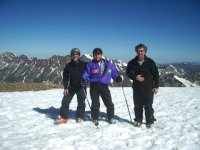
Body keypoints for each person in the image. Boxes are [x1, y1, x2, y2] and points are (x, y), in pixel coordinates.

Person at [83, 48, 122, 125]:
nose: (97, 56)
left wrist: (117, 77)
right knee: (95, 103)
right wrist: (83, 79)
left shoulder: (108, 63)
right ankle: (95, 118)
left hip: (104, 86)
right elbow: (86, 74)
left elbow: (113, 72)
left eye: (99, 54)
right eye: (95, 54)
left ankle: (110, 117)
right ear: (93, 55)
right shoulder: (90, 64)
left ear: (101, 55)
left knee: (109, 103)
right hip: (94, 86)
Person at [126, 43, 159, 128]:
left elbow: (156, 74)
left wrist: (156, 86)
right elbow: (128, 73)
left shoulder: (150, 62)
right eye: (138, 51)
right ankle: (138, 120)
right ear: (136, 51)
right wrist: (135, 77)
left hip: (148, 88)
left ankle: (149, 121)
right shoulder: (132, 62)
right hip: (137, 88)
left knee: (148, 106)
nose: (140, 52)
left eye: (142, 51)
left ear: (145, 51)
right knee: (137, 105)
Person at [55, 48, 87, 124]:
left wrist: (86, 80)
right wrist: (66, 87)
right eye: (73, 54)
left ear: (79, 55)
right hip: (71, 87)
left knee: (81, 103)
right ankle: (64, 117)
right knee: (65, 101)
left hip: (81, 87)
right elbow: (65, 77)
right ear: (71, 55)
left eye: (76, 54)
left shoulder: (84, 64)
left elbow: (89, 72)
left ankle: (80, 117)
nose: (75, 56)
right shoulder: (68, 66)